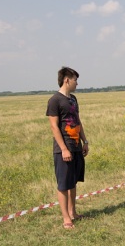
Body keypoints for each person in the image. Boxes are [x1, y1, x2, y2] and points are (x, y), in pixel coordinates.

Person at [46, 67, 89, 229]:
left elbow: (78, 120)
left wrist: (85, 141)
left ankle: (73, 212)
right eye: (75, 80)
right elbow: (54, 127)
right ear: (66, 80)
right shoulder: (54, 100)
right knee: (64, 183)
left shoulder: (73, 99)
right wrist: (64, 148)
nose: (77, 83)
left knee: (73, 182)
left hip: (77, 145)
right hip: (64, 147)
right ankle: (66, 218)